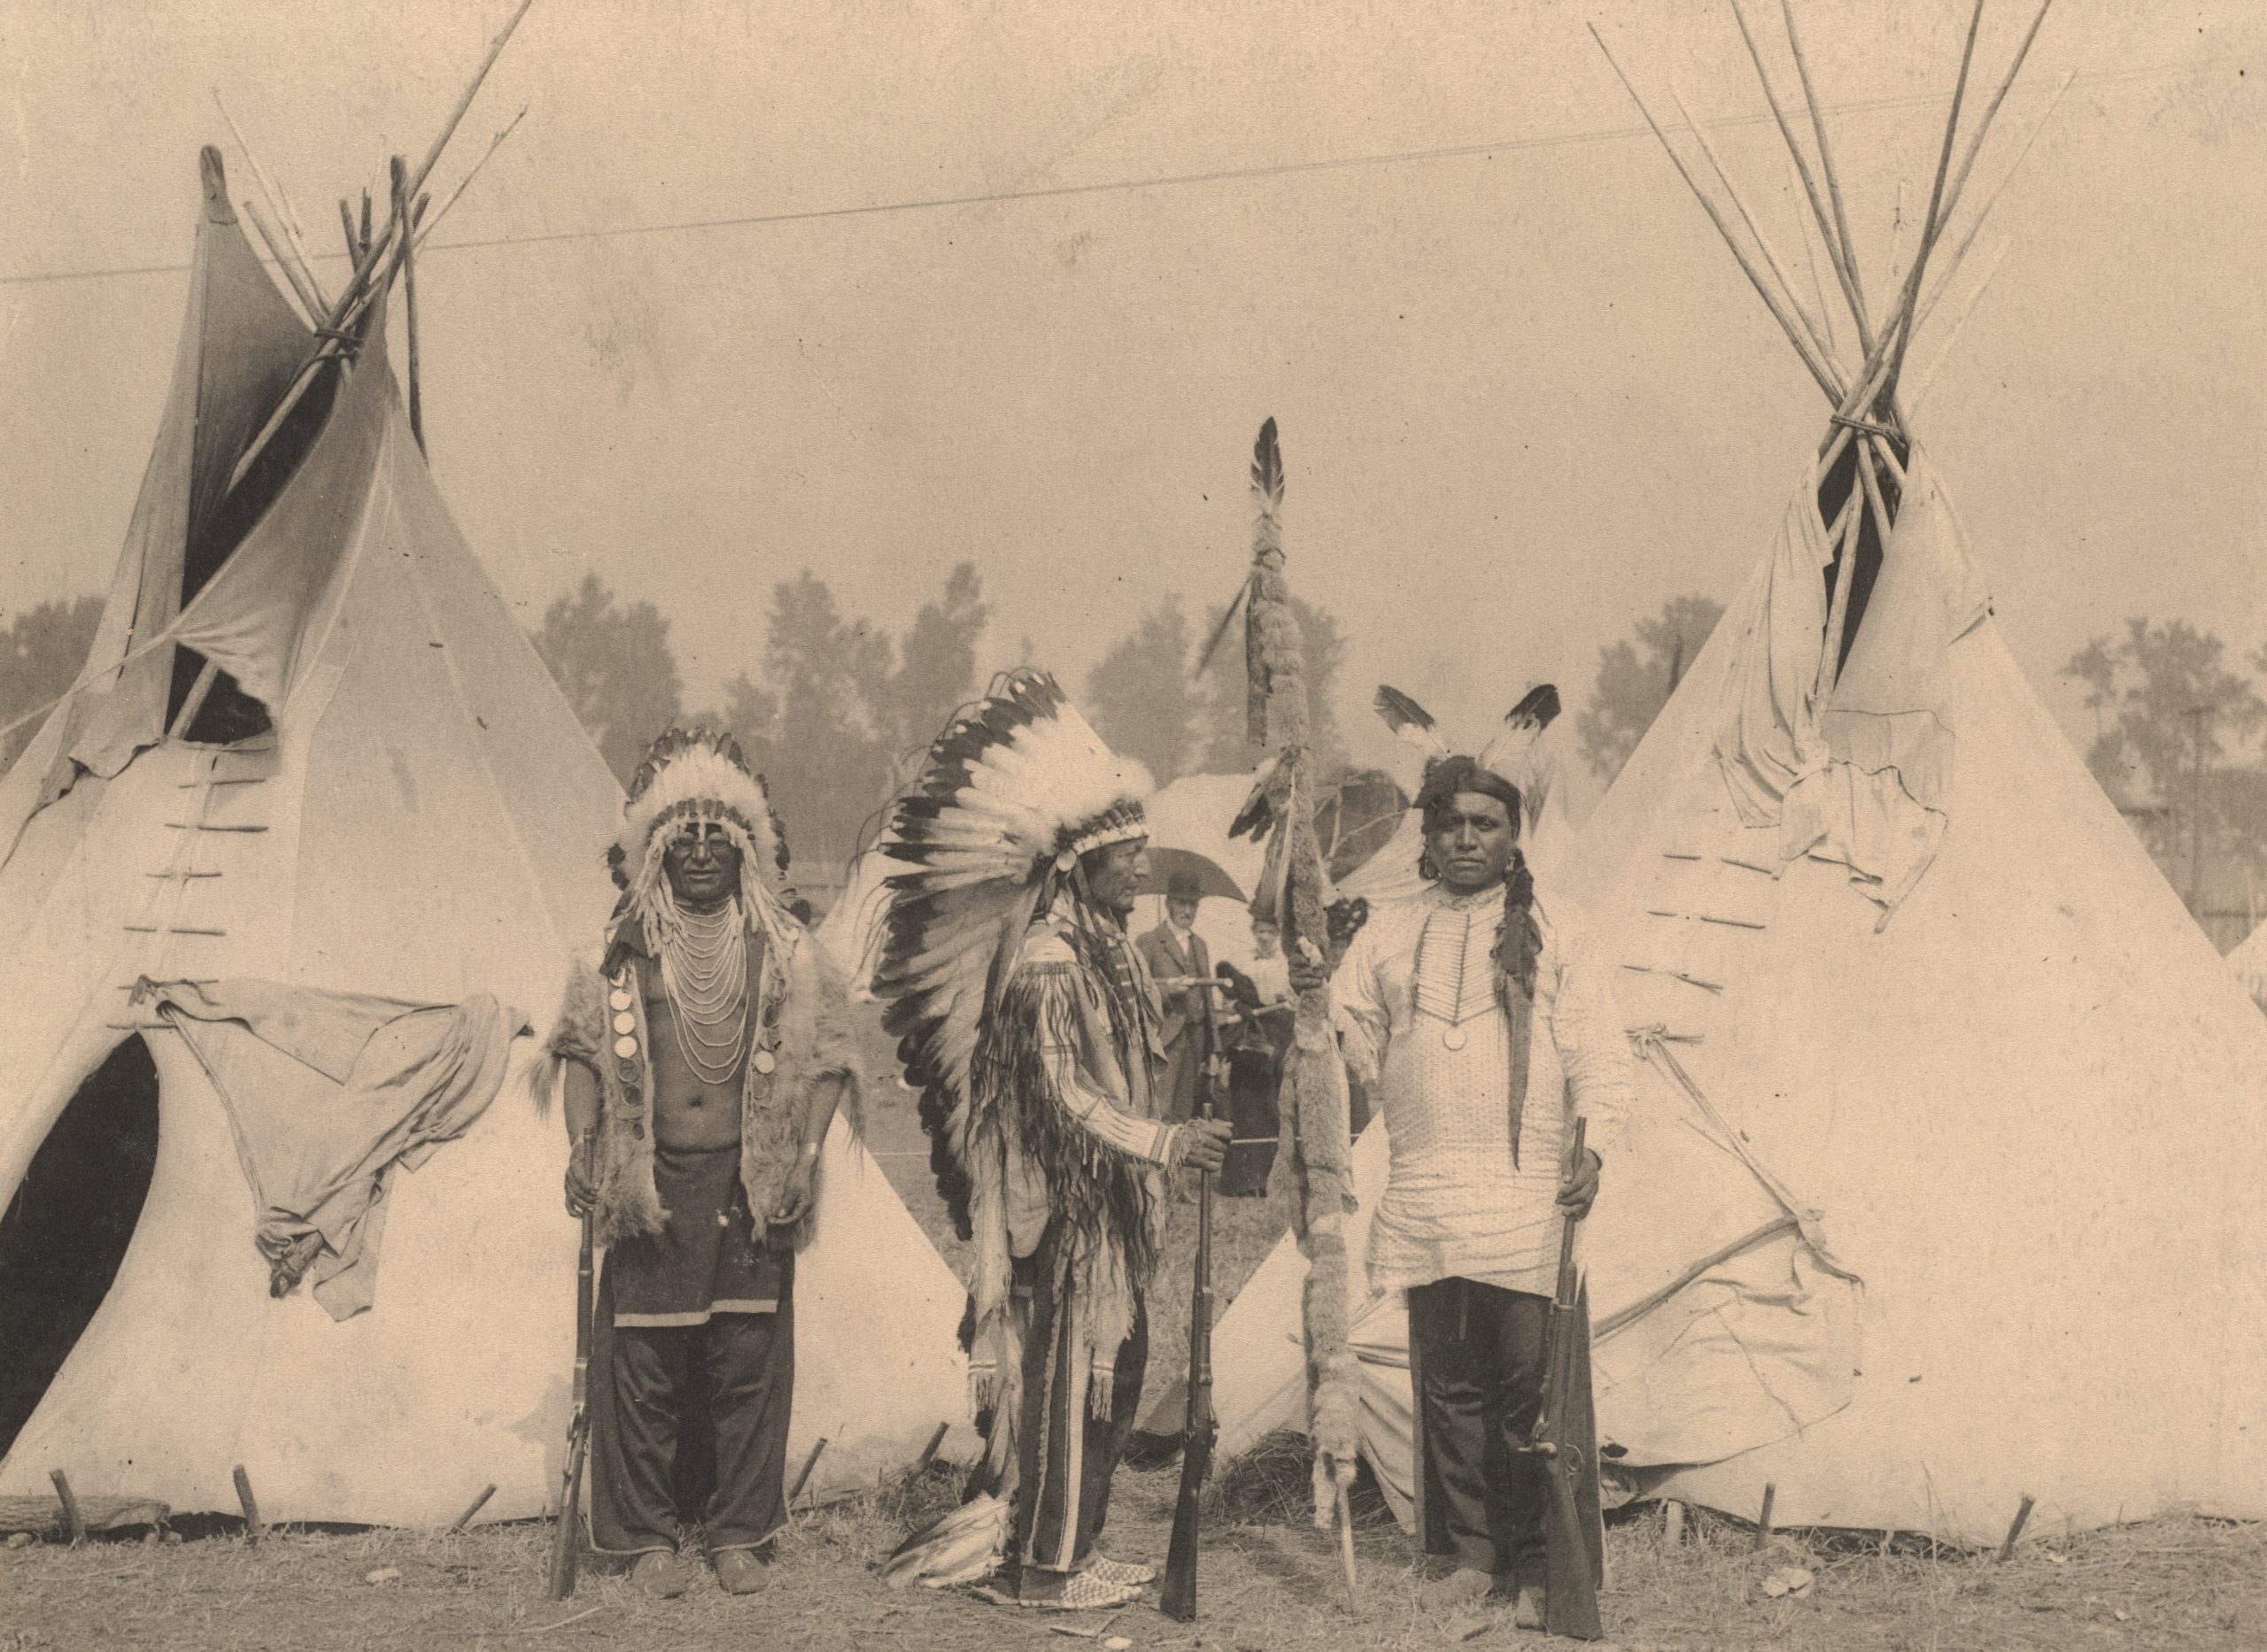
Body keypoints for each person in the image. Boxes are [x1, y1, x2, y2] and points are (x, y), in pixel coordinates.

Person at [870, 670, 1231, 1611]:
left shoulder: (1106, 949)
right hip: (1056, 1210)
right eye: (1123, 852)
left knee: (1115, 1367)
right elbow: (1065, 1094)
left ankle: (1075, 1543)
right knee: (1073, 1378)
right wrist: (1162, 1144)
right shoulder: (1046, 961)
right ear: (1076, 865)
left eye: (1143, 847)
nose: (1142, 865)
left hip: (1096, 1207)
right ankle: (1042, 1566)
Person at [1289, 751, 1629, 1627]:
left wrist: (1592, 1150)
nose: (1465, 838)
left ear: (1514, 835)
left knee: (1525, 1389)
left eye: (1484, 824)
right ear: (1428, 837)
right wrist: (1313, 996)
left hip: (1523, 1192)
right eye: (1449, 825)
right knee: (1449, 1387)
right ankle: (1468, 1560)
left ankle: (1531, 1568)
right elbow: (1351, 1032)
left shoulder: (1562, 925)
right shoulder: (1392, 929)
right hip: (1424, 1191)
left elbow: (1598, 1054)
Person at [544, 729, 863, 1598]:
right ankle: (646, 1537)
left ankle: (735, 1533)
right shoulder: (618, 949)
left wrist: (801, 1157)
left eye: (716, 839)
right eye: (680, 840)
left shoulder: (784, 948)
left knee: (743, 1354)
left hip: (745, 1186)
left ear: (743, 852)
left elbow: (833, 1055)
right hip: (648, 1188)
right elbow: (579, 1055)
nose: (698, 854)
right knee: (644, 1363)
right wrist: (584, 1145)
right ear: (653, 852)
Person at [1216, 913, 1293, 1197]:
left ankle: (1267, 1179)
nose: (1264, 937)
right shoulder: (1241, 961)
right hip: (1248, 1045)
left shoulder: (1287, 964)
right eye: (1259, 931)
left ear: (1278, 934)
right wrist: (1238, 1004)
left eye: (1270, 932)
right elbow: (1226, 997)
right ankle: (1241, 1181)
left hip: (1278, 1040)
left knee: (1273, 1108)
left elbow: (1295, 1002)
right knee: (1246, 1107)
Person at [1136, 868, 1219, 1127]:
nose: (1188, 910)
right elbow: (1137, 991)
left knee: (1184, 1112)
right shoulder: (1149, 941)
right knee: (1161, 1108)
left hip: (1195, 1039)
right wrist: (1167, 992)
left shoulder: (1200, 945)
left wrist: (1215, 1047)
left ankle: (1178, 1168)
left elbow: (1208, 998)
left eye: (1192, 904)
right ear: (1168, 903)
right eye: (1182, 903)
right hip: (1165, 1040)